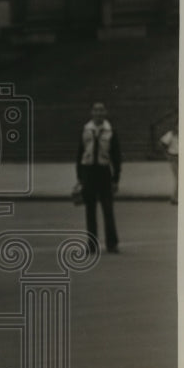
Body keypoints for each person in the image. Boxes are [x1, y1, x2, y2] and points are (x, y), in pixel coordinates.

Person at [75, 101, 122, 254]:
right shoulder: (86, 130)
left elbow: (116, 156)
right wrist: (80, 177)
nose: (98, 113)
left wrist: (116, 179)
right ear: (92, 113)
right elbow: (80, 153)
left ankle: (112, 243)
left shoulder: (110, 131)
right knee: (90, 210)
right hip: (88, 172)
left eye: (101, 110)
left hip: (104, 173)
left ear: (105, 113)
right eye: (96, 110)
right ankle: (92, 244)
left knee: (108, 209)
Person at [159, 120, 178, 204]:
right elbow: (162, 143)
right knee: (179, 178)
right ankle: (174, 198)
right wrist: (167, 154)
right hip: (174, 157)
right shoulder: (171, 134)